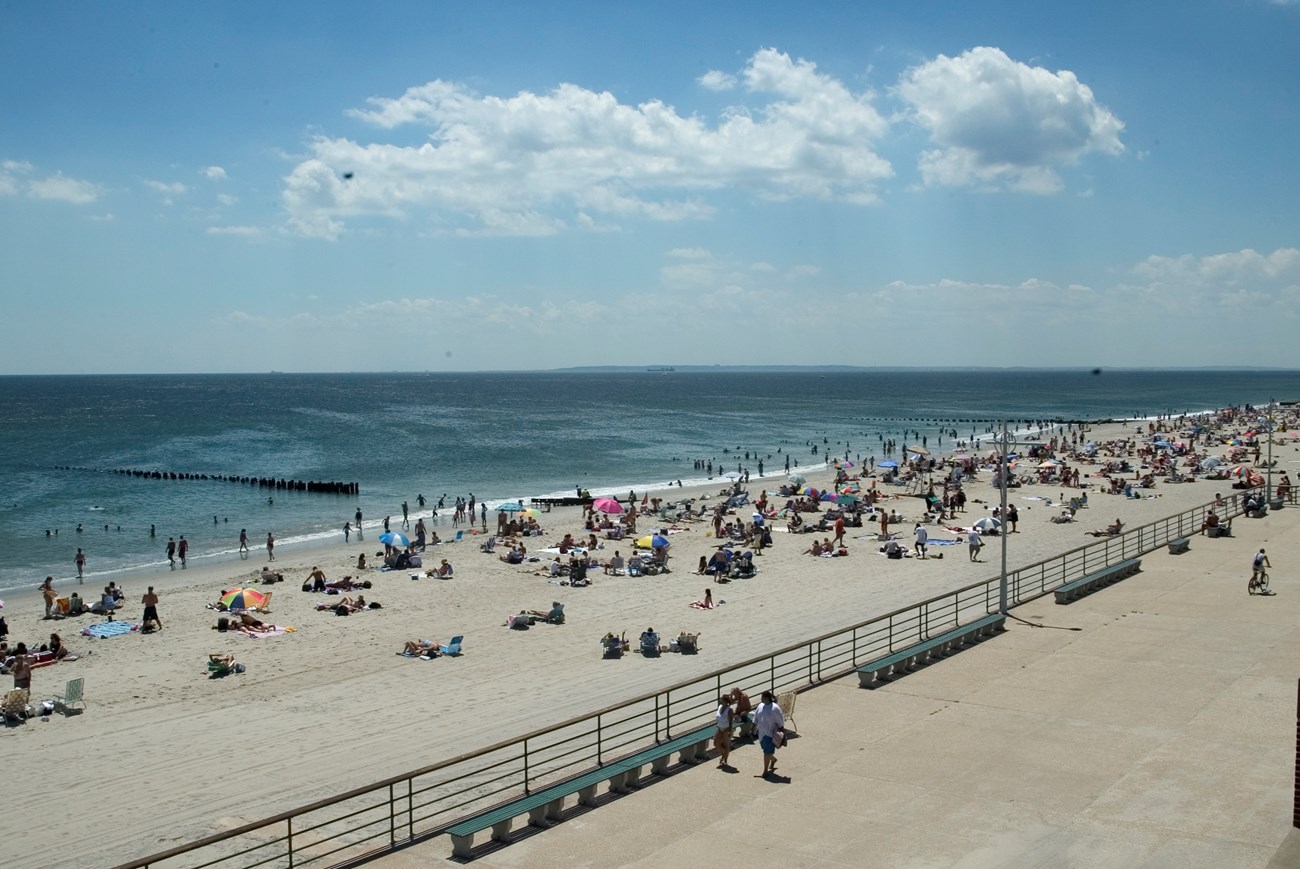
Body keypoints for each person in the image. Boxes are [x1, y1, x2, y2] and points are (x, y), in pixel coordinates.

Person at [754, 689, 785, 777]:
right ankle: (773, 759)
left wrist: (781, 733)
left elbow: (780, 721)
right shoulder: (760, 706)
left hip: (771, 734)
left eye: (762, 697)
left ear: (767, 698)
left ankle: (765, 771)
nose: (761, 699)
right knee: (766, 752)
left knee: (766, 753)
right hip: (761, 733)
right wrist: (752, 729)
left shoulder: (775, 708)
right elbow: (756, 718)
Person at [714, 694, 733, 768]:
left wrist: (730, 731)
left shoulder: (729, 710)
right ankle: (723, 754)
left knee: (726, 745)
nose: (720, 700)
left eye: (721, 699)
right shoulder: (720, 707)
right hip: (719, 727)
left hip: (726, 729)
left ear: (725, 700)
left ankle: (725, 759)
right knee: (716, 743)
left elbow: (731, 721)